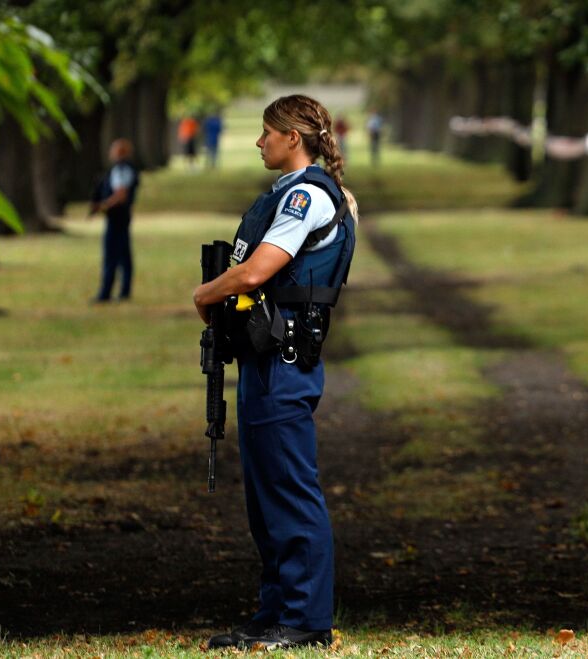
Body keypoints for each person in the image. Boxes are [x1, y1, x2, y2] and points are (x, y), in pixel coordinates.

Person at [193, 95, 357, 651]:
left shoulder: (306, 194)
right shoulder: (297, 191)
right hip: (267, 359)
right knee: (265, 498)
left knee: (289, 491)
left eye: (266, 132)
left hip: (284, 364)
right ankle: (276, 612)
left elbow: (259, 270)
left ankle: (307, 620)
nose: (259, 142)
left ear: (293, 136)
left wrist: (205, 292)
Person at [89, 138, 140, 303]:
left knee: (111, 256)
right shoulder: (128, 169)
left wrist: (103, 205)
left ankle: (105, 293)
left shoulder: (121, 170)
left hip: (116, 218)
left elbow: (121, 194)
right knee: (124, 256)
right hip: (123, 218)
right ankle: (124, 291)